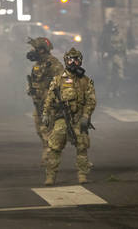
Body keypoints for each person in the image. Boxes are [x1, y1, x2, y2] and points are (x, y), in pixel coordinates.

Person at [42, 47, 96, 185]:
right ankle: (50, 176)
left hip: (78, 118)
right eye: (70, 60)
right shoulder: (58, 79)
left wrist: (85, 116)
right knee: (54, 146)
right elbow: (50, 98)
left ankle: (82, 175)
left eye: (76, 60)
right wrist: (46, 114)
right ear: (66, 61)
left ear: (80, 61)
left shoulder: (86, 80)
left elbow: (91, 101)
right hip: (61, 119)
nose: (73, 63)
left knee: (82, 147)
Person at [26, 37, 64, 165]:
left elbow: (61, 81)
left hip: (49, 103)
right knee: (39, 129)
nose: (34, 51)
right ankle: (47, 150)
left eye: (37, 49)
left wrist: (53, 97)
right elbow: (33, 81)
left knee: (46, 129)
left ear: (43, 50)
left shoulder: (53, 63)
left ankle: (50, 156)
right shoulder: (37, 65)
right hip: (38, 102)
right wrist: (30, 89)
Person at [105, 25, 126, 98]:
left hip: (118, 56)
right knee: (109, 76)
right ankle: (110, 92)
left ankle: (118, 91)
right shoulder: (108, 37)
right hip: (111, 56)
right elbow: (107, 46)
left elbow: (123, 46)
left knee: (120, 76)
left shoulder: (120, 37)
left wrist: (123, 54)